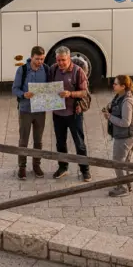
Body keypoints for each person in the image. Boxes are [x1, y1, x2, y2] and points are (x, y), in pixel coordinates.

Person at [49, 46, 90, 181]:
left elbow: (84, 92)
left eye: (63, 60)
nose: (61, 63)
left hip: (74, 114)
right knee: (60, 143)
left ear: (69, 59)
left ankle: (85, 170)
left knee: (79, 144)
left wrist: (70, 94)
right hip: (57, 114)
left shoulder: (78, 71)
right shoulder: (53, 69)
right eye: (58, 60)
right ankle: (63, 167)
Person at [11, 45, 49, 180]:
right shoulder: (22, 70)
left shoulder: (46, 69)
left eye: (42, 59)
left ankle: (36, 166)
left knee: (38, 141)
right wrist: (24, 94)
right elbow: (14, 89)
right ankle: (22, 167)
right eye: (37, 59)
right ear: (31, 57)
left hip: (40, 111)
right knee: (23, 140)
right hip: (25, 110)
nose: (40, 62)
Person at [102, 75, 133, 197]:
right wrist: (109, 108)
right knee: (125, 162)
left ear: (123, 86)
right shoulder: (120, 96)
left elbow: (125, 122)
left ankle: (122, 188)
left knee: (117, 162)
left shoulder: (127, 102)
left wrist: (110, 117)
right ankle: (127, 185)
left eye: (116, 84)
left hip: (125, 136)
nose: (113, 85)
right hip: (127, 134)